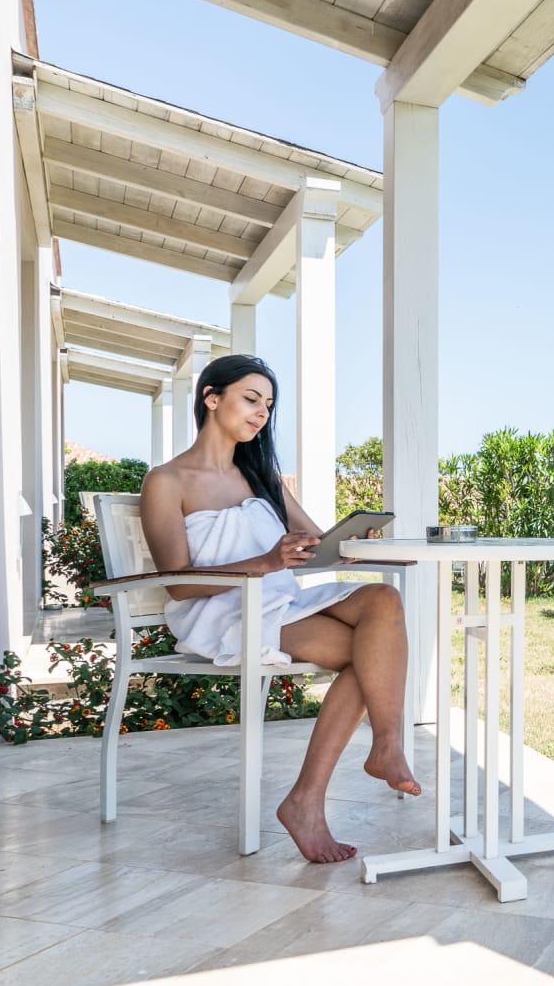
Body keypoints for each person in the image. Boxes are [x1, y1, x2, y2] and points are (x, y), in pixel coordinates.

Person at [138, 354, 419, 864]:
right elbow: (176, 584)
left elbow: (318, 545)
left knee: (383, 598)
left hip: (281, 601)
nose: (262, 412)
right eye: (251, 399)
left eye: (268, 404)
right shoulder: (166, 480)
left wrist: (355, 543)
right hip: (223, 612)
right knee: (370, 655)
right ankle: (313, 796)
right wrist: (268, 561)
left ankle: (383, 746)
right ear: (211, 398)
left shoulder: (262, 477)